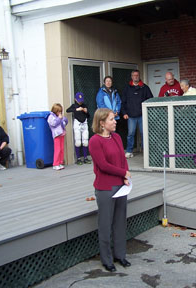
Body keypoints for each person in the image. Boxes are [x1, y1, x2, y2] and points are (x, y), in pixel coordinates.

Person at [89, 108, 132, 272]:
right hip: (105, 187)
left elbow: (122, 159)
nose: (115, 122)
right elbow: (103, 165)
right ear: (102, 123)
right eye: (112, 119)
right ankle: (107, 260)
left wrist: (125, 176)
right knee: (105, 224)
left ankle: (120, 255)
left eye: (115, 119)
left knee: (120, 223)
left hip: (121, 186)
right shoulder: (95, 141)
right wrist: (123, 173)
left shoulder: (117, 137)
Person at [121, 69, 153, 159]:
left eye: (137, 75)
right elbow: (123, 102)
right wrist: (124, 113)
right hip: (130, 115)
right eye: (134, 75)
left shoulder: (145, 87)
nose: (135, 77)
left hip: (142, 115)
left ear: (139, 76)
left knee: (144, 133)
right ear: (131, 77)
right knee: (130, 133)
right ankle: (129, 151)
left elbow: (150, 100)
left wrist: (148, 113)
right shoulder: (127, 88)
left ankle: (145, 151)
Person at [66, 92, 91, 165]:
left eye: (81, 100)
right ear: (75, 99)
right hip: (77, 124)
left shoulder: (84, 105)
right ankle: (78, 158)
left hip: (84, 124)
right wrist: (76, 109)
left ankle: (85, 157)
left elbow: (88, 116)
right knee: (78, 141)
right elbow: (67, 110)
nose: (80, 102)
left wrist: (86, 111)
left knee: (85, 141)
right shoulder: (74, 106)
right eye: (78, 100)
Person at [47, 103, 68, 171]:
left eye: (60, 111)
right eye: (58, 111)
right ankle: (55, 164)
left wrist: (64, 119)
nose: (60, 113)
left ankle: (60, 162)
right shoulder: (51, 117)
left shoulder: (59, 116)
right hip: (56, 135)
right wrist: (59, 119)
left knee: (61, 149)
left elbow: (64, 122)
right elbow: (54, 124)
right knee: (57, 150)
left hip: (62, 134)